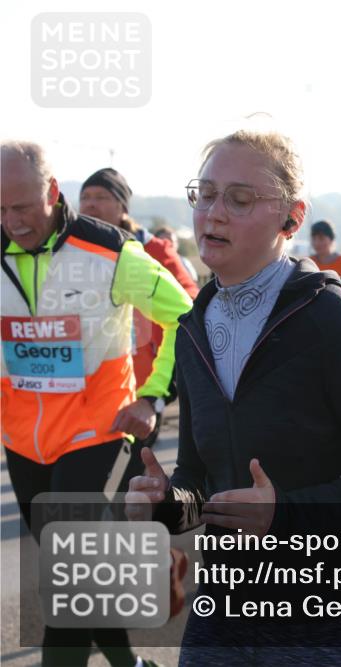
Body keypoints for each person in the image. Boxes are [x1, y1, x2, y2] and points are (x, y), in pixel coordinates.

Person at [126, 130, 341, 666]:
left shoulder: (329, 318)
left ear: (291, 219)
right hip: (224, 608)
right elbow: (202, 478)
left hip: (337, 615)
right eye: (207, 194)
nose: (213, 214)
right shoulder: (192, 326)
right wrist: (167, 504)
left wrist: (285, 513)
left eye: (240, 199)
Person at [2, 141, 193, 667]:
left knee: (67, 575)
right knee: (81, 573)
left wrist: (154, 395)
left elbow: (188, 317)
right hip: (23, 442)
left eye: (21, 207)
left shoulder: (108, 253)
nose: (11, 222)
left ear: (51, 191)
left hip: (99, 433)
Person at [80, 168, 200, 417]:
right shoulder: (73, 254)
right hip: (91, 385)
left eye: (101, 197)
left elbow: (190, 303)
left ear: (123, 207)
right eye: (85, 197)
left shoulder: (153, 249)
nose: (90, 204)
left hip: (147, 380)